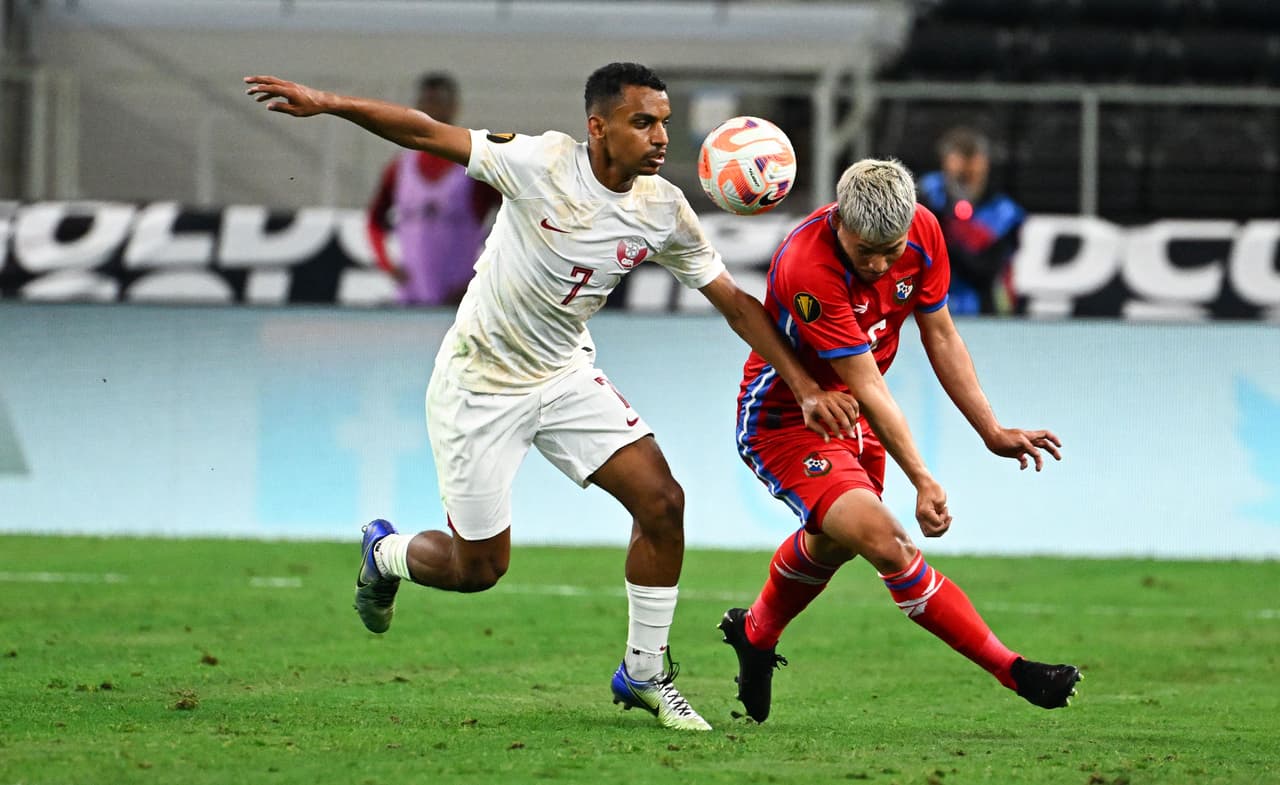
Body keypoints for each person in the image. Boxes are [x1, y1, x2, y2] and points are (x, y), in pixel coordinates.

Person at [244, 63, 858, 732]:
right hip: (479, 383)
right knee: (478, 568)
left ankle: (645, 672)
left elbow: (735, 303)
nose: (660, 137)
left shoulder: (663, 209)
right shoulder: (538, 163)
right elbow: (424, 132)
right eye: (642, 122)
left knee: (662, 502)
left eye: (664, 123)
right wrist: (328, 101)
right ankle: (384, 554)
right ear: (598, 127)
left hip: (563, 375)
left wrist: (803, 385)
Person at [719, 158, 1080, 723]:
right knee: (889, 544)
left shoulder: (926, 231)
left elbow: (941, 333)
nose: (880, 265)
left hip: (857, 414)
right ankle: (1015, 671)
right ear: (840, 222)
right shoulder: (808, 265)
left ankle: (756, 632)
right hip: (787, 419)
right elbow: (866, 383)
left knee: (834, 543)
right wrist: (922, 478)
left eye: (891, 251)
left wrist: (991, 429)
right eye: (866, 252)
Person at [366, 72, 501, 306]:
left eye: (438, 102)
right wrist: (388, 265)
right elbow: (374, 221)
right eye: (426, 102)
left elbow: (515, 216)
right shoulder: (400, 168)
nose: (432, 110)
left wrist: (483, 273)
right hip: (411, 301)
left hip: (461, 303)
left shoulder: (474, 167)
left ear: (454, 107)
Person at [917, 127, 1025, 316]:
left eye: (972, 173)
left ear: (985, 165)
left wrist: (943, 238)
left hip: (982, 308)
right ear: (945, 163)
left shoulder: (1004, 213)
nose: (965, 179)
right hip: (925, 304)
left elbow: (985, 272)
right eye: (959, 174)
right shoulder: (926, 194)